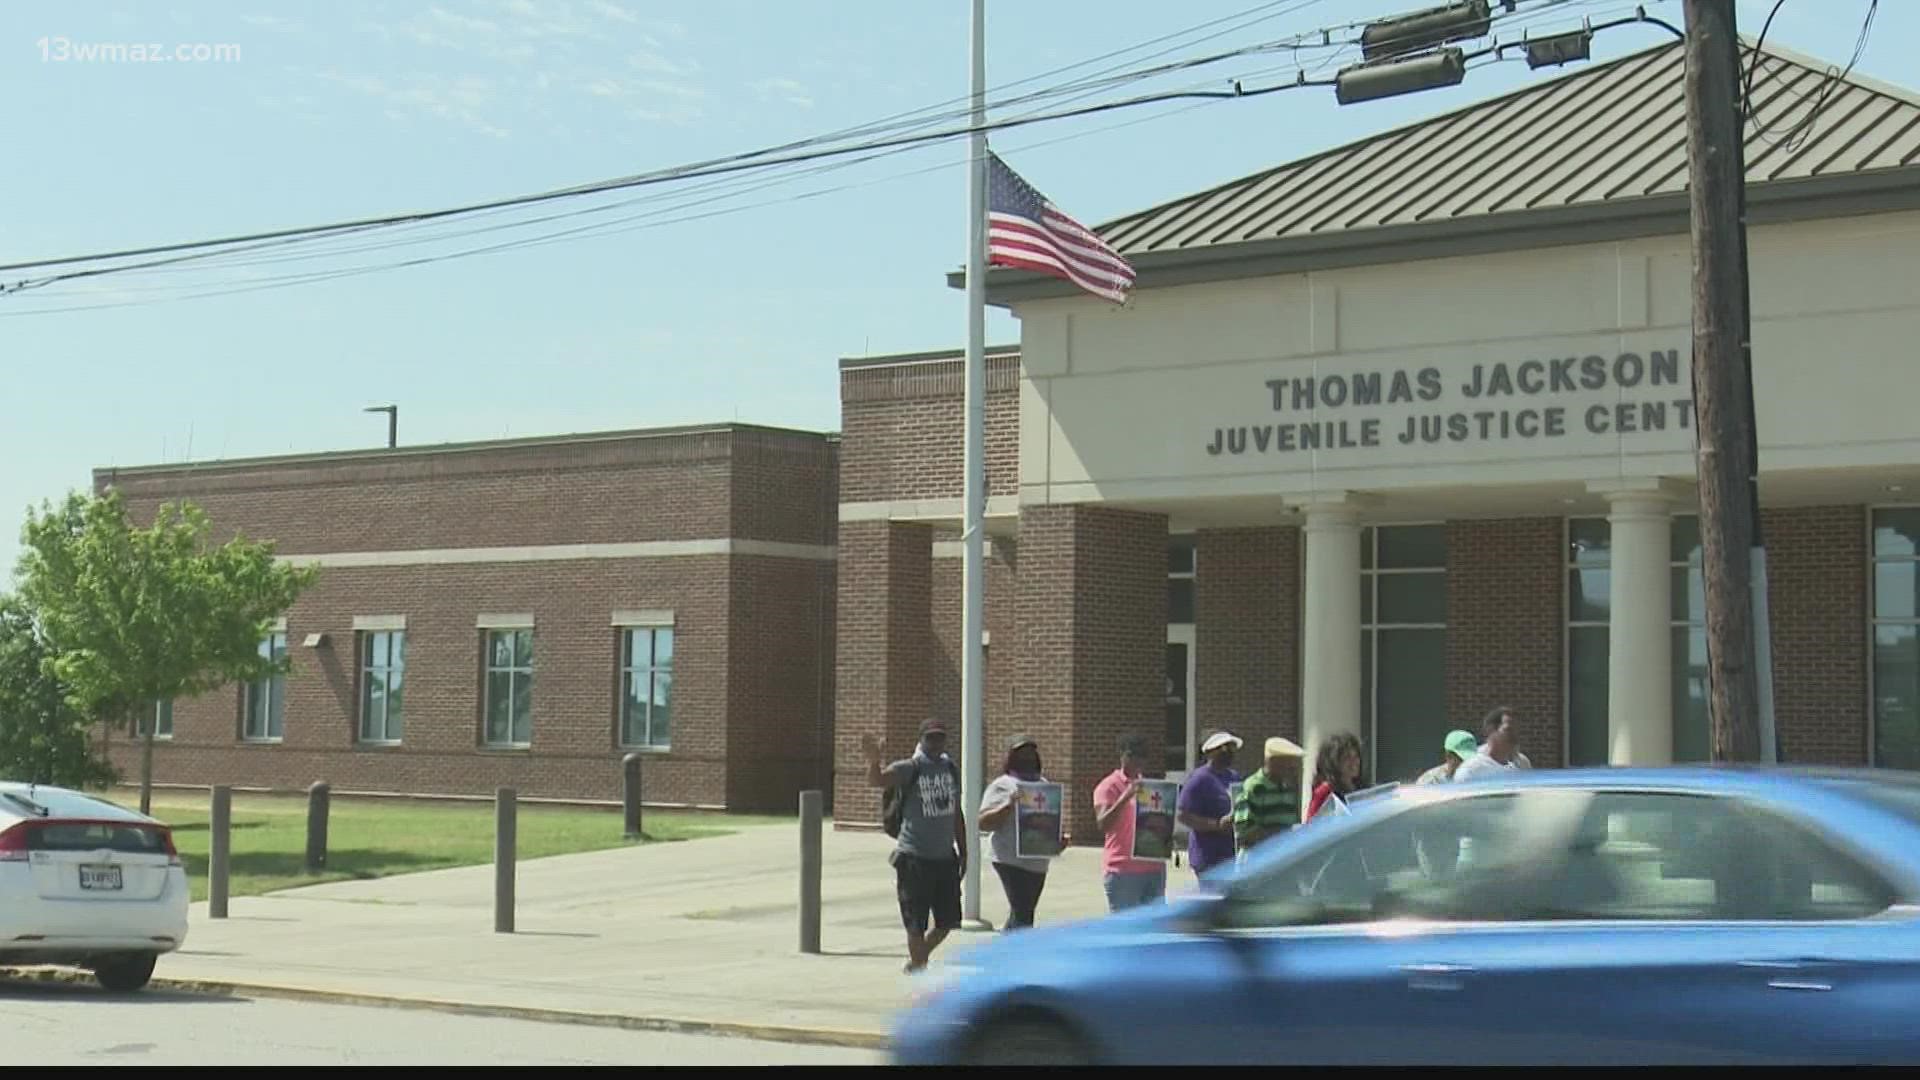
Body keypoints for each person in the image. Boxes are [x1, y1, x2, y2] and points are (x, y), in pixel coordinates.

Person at [864, 719, 967, 973]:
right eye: (930, 738)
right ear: (921, 739)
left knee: (948, 921)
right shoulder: (910, 768)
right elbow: (877, 780)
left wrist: (964, 850)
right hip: (914, 858)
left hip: (945, 858)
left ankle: (918, 960)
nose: (935, 742)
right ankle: (919, 966)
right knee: (915, 923)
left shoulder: (950, 769)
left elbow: (956, 813)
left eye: (940, 738)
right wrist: (874, 760)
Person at [977, 733, 1052, 930]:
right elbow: (983, 822)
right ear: (1011, 756)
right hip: (1009, 858)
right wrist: (1008, 805)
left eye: (1030, 752)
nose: (1027, 757)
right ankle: (1016, 955)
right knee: (1022, 913)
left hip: (1037, 860)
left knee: (1024, 912)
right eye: (1021, 753)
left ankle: (1004, 953)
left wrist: (1056, 841)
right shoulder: (1002, 785)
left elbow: (1048, 822)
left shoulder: (1044, 785)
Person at [1093, 735, 1167, 911]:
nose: (1137, 760)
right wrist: (1125, 797)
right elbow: (1103, 824)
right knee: (1126, 931)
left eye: (1142, 755)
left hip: (1153, 867)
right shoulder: (1108, 786)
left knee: (1152, 930)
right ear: (1122, 755)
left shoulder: (1150, 788)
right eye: (1132, 755)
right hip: (1123, 870)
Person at [1176, 730, 1242, 880]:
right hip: (1208, 856)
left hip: (1230, 854)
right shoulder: (1199, 779)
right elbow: (1182, 814)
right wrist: (1216, 825)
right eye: (1224, 748)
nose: (1229, 752)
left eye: (1231, 748)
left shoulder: (1234, 777)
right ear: (1210, 752)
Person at [1233, 736, 1305, 855]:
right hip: (1256, 864)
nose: (1293, 767)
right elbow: (1244, 835)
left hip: (1281, 861)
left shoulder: (1287, 788)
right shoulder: (1254, 787)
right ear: (1273, 761)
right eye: (1289, 762)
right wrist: (1286, 833)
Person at [1454, 705, 1526, 783]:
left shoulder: (1514, 771)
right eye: (1509, 730)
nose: (1514, 735)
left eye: (1517, 730)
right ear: (1490, 730)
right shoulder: (1472, 770)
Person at [1306, 732, 1364, 820]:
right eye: (1347, 757)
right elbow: (1312, 824)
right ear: (1334, 762)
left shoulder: (1360, 787)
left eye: (1356, 756)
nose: (1354, 762)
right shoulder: (1325, 790)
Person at [1415, 729, 1481, 785]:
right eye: (1462, 759)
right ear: (1448, 756)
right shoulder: (1430, 781)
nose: (1468, 764)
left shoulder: (1481, 776)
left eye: (1471, 760)